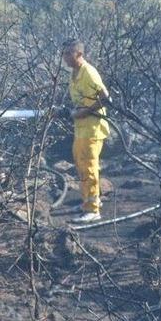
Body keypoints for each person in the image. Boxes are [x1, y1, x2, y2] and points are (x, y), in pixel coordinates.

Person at [62, 40, 110, 223]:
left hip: (92, 128)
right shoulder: (75, 73)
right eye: (64, 54)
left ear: (79, 54)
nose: (65, 58)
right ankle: (87, 201)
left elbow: (105, 97)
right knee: (82, 165)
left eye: (68, 54)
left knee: (89, 167)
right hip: (81, 128)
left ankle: (93, 210)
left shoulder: (88, 72)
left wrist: (83, 112)